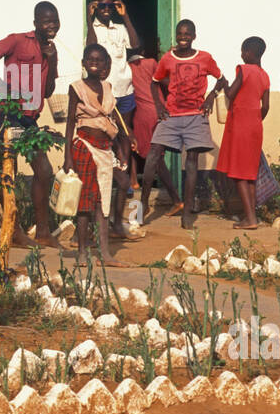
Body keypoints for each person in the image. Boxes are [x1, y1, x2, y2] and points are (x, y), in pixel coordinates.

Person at [0, 1, 61, 248]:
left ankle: (43, 231)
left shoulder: (52, 50)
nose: (51, 25)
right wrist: (1, 85)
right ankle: (14, 230)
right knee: (8, 172)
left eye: (55, 20)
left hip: (30, 117)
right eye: (46, 21)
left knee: (43, 171)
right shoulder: (17, 40)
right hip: (8, 114)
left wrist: (52, 61)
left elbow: (47, 92)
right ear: (35, 24)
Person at [139, 19, 224, 229]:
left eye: (187, 34)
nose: (183, 37)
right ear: (176, 36)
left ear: (194, 36)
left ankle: (186, 214)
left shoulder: (205, 58)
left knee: (192, 162)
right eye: (179, 34)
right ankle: (142, 205)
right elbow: (154, 81)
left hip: (196, 116)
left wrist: (211, 96)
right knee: (152, 156)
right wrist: (159, 104)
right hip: (172, 116)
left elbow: (222, 79)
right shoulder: (167, 58)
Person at [64, 44, 129, 266]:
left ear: (105, 64)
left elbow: (112, 124)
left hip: (104, 150)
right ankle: (82, 252)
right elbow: (71, 122)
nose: (95, 62)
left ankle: (105, 253)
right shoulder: (76, 88)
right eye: (90, 59)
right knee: (85, 204)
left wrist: (120, 152)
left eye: (99, 60)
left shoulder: (107, 87)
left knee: (103, 203)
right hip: (84, 147)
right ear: (83, 62)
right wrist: (67, 157)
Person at [213, 36, 271, 230]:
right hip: (255, 126)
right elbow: (266, 106)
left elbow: (230, 94)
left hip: (240, 126)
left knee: (239, 174)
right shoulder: (264, 75)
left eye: (243, 51)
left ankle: (250, 219)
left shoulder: (244, 70)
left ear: (249, 53)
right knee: (250, 174)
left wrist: (225, 85)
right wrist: (254, 119)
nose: (241, 54)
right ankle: (252, 215)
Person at [128, 36, 180, 213]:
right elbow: (166, 79)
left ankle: (140, 192)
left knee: (151, 157)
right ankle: (176, 200)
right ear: (143, 52)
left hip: (142, 114)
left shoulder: (125, 69)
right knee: (156, 158)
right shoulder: (151, 63)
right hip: (160, 111)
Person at [86, 0, 140, 118]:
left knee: (125, 131)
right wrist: (89, 18)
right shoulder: (92, 31)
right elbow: (90, 47)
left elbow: (135, 44)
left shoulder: (120, 28)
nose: (106, 9)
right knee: (108, 131)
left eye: (110, 6)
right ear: (95, 7)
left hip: (125, 89)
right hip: (105, 91)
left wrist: (125, 16)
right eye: (102, 6)